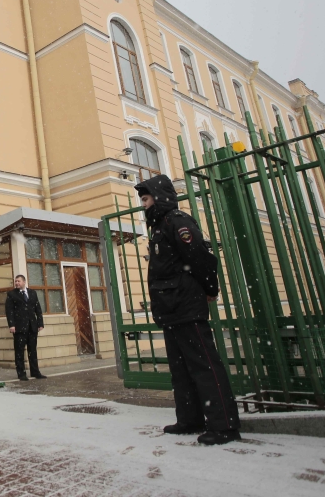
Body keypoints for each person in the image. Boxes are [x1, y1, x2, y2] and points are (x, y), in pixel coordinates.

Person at [134, 174, 241, 446]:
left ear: (159, 197)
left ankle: (224, 426)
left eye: (145, 198)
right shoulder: (159, 227)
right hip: (171, 309)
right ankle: (190, 418)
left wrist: (210, 290)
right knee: (180, 368)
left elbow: (202, 259)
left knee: (204, 366)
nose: (143, 204)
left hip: (186, 306)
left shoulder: (177, 222)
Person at [5, 274, 46, 381]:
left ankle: (35, 372)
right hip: (19, 328)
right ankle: (21, 374)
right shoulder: (11, 294)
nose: (16, 283)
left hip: (32, 327)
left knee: (33, 351)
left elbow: (38, 309)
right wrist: (12, 325)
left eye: (18, 281)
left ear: (24, 282)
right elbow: (9, 311)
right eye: (15, 281)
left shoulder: (32, 293)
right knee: (19, 351)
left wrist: (40, 323)